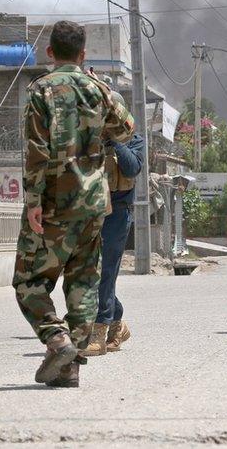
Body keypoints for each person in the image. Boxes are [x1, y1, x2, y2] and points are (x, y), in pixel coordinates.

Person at [13, 21, 134, 388]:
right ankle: (70, 367)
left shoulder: (40, 91)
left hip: (52, 203)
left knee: (29, 280)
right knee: (84, 281)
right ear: (83, 55)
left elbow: (35, 151)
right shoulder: (99, 89)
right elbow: (127, 129)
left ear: (50, 52)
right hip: (94, 203)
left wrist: (33, 200)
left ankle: (57, 340)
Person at [84, 132, 144, 356]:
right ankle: (117, 323)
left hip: (117, 213)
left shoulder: (134, 140)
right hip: (90, 209)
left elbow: (132, 168)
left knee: (105, 271)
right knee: (88, 271)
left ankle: (99, 332)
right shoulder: (87, 136)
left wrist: (115, 143)